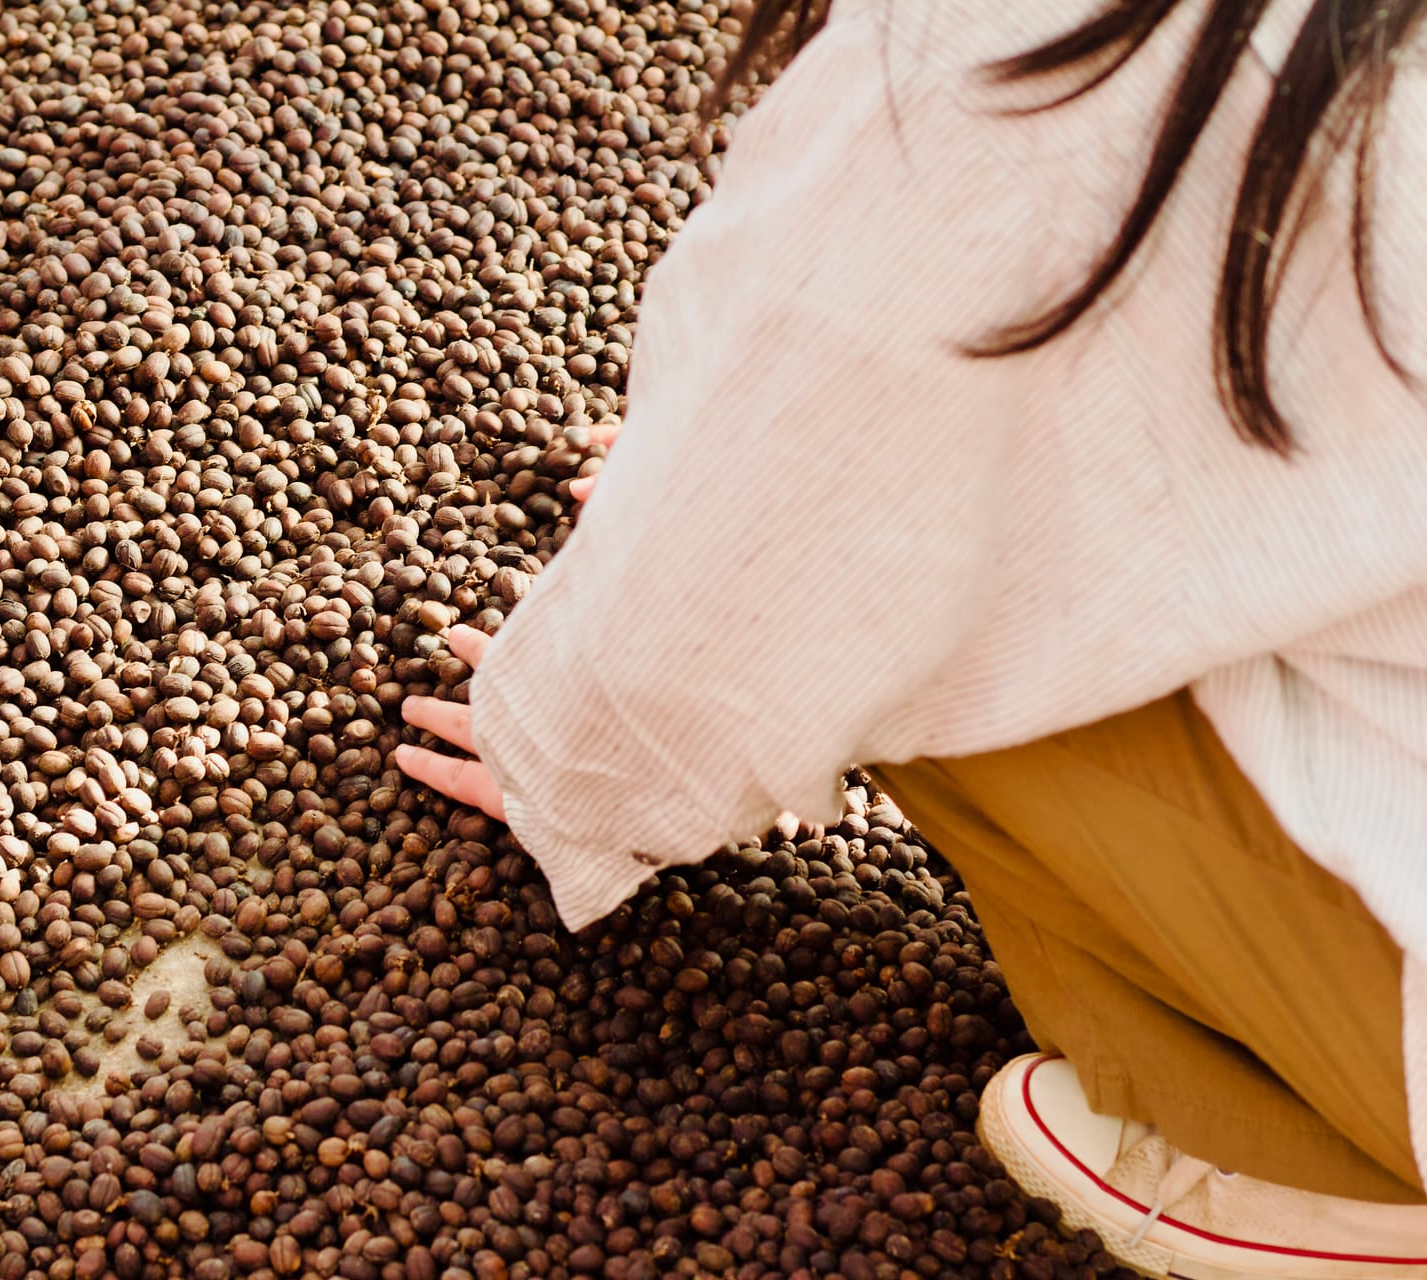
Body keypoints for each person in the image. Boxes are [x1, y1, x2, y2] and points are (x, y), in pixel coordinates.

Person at [391, 0, 1427, 1273]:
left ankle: (1335, 1168)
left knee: (860, 591)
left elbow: (791, 572)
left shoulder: (1035, 52)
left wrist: (580, 736)